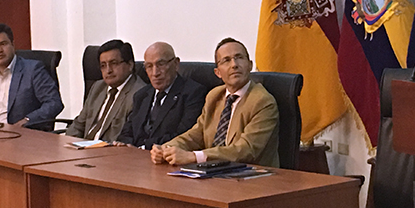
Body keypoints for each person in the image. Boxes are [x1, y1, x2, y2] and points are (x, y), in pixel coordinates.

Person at [153, 38, 279, 167]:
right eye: (226, 60)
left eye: (239, 57)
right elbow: (197, 134)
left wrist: (194, 156)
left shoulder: (262, 101)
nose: (234, 64)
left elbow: (246, 150)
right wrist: (167, 148)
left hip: (252, 177)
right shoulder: (215, 96)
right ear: (217, 72)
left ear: (250, 65)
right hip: (214, 173)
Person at [0, 23, 63, 126]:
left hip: (23, 135)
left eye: (3, 44)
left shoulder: (33, 70)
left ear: (12, 44)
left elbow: (54, 103)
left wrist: (27, 120)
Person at [116, 42, 207, 148]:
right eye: (149, 66)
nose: (155, 73)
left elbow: (184, 136)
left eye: (161, 64)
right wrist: (125, 144)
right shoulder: (141, 95)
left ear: (176, 64)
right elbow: (126, 133)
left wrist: (144, 147)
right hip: (135, 157)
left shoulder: (193, 93)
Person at [65, 39, 145, 141]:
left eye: (114, 63)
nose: (108, 70)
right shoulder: (98, 87)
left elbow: (126, 138)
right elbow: (78, 125)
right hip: (85, 149)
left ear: (130, 65)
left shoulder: (139, 94)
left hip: (109, 152)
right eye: (103, 65)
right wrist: (68, 144)